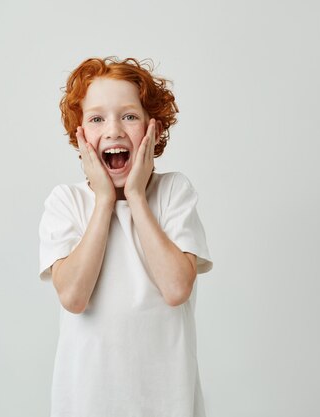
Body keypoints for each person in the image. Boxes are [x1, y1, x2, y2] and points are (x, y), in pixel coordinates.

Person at [38, 57, 213, 417]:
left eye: (129, 116)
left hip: (167, 404)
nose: (114, 130)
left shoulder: (172, 193)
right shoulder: (66, 202)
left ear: (154, 129)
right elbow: (73, 296)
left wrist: (135, 195)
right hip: (86, 405)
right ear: (80, 135)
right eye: (97, 118)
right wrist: (104, 201)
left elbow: (177, 288)